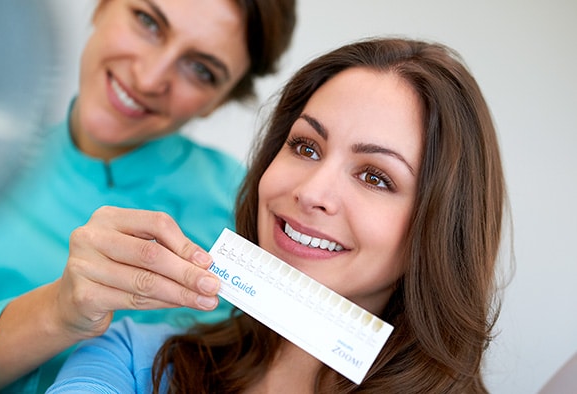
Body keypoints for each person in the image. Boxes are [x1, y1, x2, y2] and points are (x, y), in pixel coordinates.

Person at [46, 37, 508, 393]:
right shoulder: (131, 356)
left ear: (443, 230)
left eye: (374, 177)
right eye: (305, 146)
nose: (310, 192)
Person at [0, 0, 296, 393]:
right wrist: (57, 312)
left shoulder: (259, 214)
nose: (149, 78)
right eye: (148, 22)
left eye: (201, 70)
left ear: (219, 100)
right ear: (102, 6)